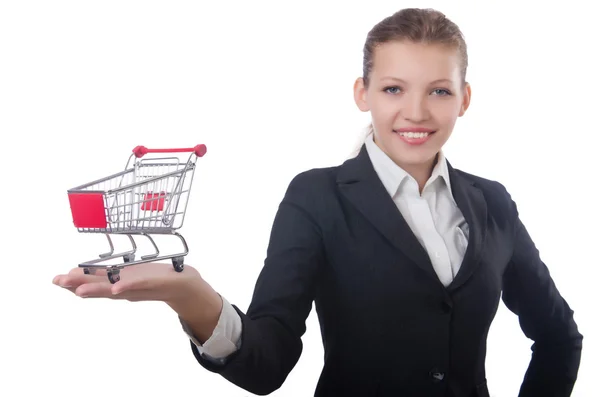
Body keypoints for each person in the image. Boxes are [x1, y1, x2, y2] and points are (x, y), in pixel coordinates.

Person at [53, 7, 583, 397]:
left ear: (464, 98)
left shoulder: (492, 202)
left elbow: (559, 337)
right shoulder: (317, 196)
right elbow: (268, 363)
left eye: (440, 91)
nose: (416, 112)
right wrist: (191, 297)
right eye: (394, 89)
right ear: (363, 93)